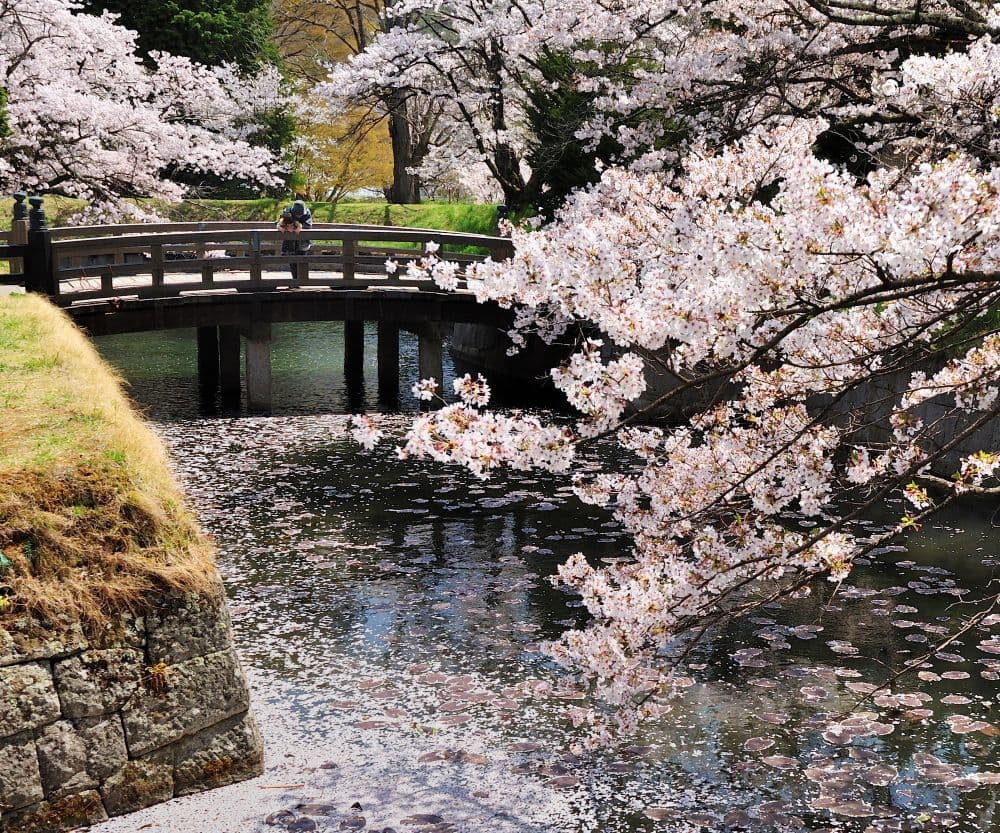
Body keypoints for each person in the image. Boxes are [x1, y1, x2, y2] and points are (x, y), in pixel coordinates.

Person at [278, 199, 312, 279]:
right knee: (292, 261)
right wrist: (284, 227)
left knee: (302, 259)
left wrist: (298, 226)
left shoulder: (307, 213)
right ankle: (295, 280)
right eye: (297, 215)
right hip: (289, 242)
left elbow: (308, 225)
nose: (299, 216)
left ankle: (302, 280)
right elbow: (278, 222)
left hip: (302, 241)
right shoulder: (287, 212)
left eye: (300, 215)